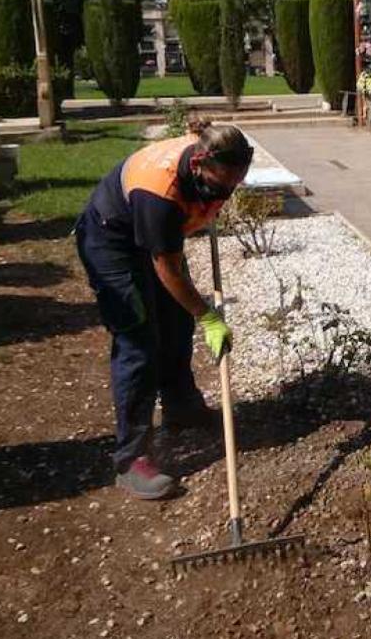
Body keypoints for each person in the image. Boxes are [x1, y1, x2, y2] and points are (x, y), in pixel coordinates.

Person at [75, 122, 253, 499]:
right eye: (221, 185)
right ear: (199, 164)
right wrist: (208, 315)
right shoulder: (160, 192)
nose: (226, 192)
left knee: (175, 323)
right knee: (138, 342)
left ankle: (181, 407)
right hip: (113, 242)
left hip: (151, 236)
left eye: (234, 185)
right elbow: (166, 267)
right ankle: (131, 459)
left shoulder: (212, 153)